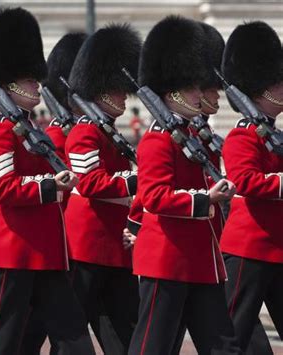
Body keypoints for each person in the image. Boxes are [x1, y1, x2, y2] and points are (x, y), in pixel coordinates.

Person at [0, 7, 95, 355]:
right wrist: (50, 186)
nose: (37, 85)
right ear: (9, 84)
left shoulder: (30, 130)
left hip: (45, 252)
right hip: (12, 251)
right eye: (29, 81)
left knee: (75, 343)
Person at [127, 16, 241, 355]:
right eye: (192, 88)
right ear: (173, 92)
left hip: (199, 260)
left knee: (223, 346)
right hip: (167, 259)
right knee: (153, 346)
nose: (199, 94)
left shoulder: (194, 137)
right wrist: (207, 199)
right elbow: (154, 197)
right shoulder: (156, 141)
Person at [64, 24, 141, 354]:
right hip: (89, 245)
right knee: (73, 331)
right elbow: (91, 184)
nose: (124, 95)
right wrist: (139, 179)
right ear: (101, 91)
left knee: (124, 331)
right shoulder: (84, 133)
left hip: (115, 244)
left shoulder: (109, 132)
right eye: (118, 89)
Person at [19, 31, 88, 355]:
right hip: (65, 242)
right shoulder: (56, 134)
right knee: (35, 331)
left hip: (73, 244)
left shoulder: (86, 130)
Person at [219, 21, 283, 353]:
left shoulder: (275, 135)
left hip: (277, 246)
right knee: (233, 334)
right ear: (261, 90)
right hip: (249, 248)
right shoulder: (243, 135)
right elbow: (245, 181)